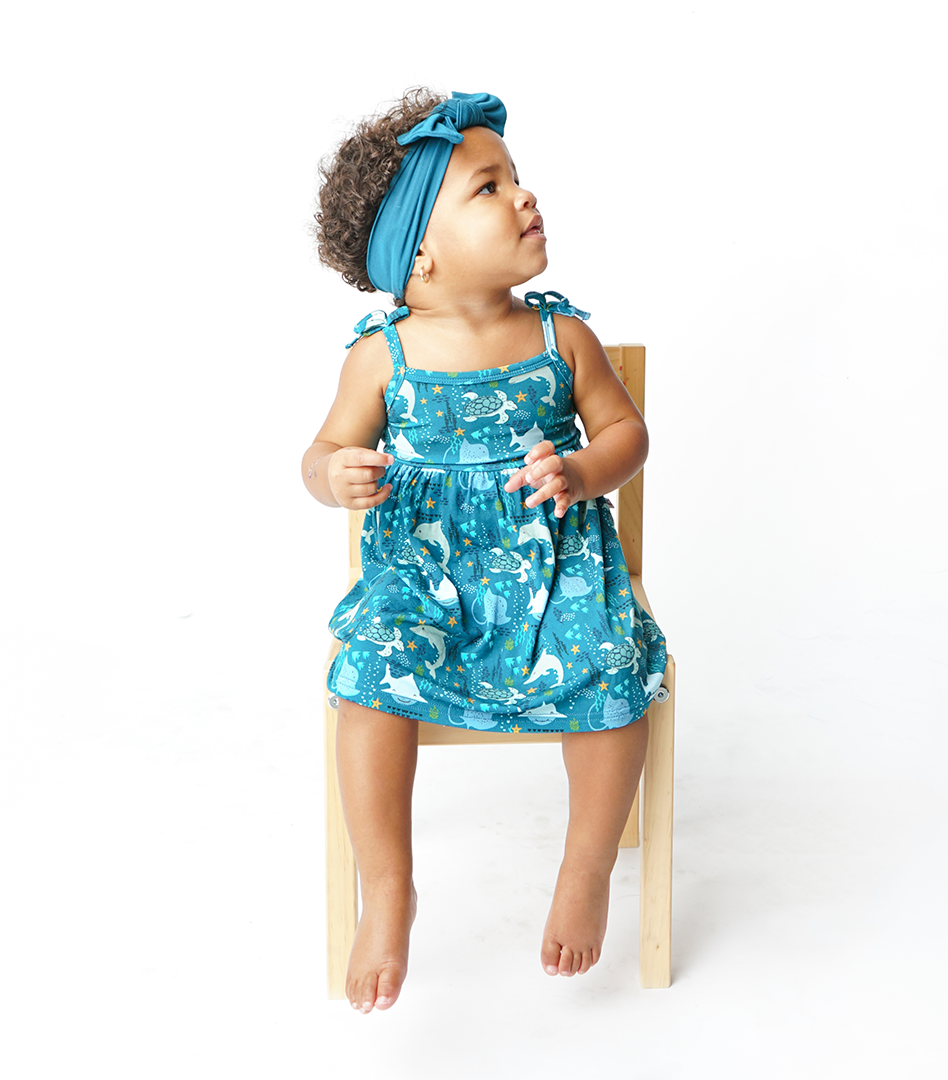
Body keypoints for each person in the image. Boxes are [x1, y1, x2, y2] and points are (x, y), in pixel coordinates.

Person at [302, 90, 667, 1013]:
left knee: (612, 674)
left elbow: (629, 431)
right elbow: (321, 450)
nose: (523, 196)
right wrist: (332, 474)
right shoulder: (381, 357)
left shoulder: (561, 336)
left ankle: (586, 869)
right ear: (418, 254)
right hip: (423, 580)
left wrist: (584, 472)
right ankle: (388, 887)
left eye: (516, 177)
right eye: (487, 186)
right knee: (368, 677)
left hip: (556, 572)